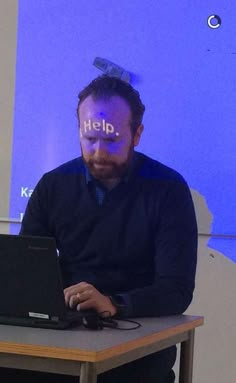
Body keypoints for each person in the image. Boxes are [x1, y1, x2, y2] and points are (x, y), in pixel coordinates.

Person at [2, 75, 197, 382]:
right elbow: (25, 272)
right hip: (65, 333)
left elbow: (176, 289)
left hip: (137, 343)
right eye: (89, 138)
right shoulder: (53, 185)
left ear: (137, 134)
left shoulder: (168, 190)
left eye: (111, 140)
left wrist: (114, 304)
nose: (98, 152)